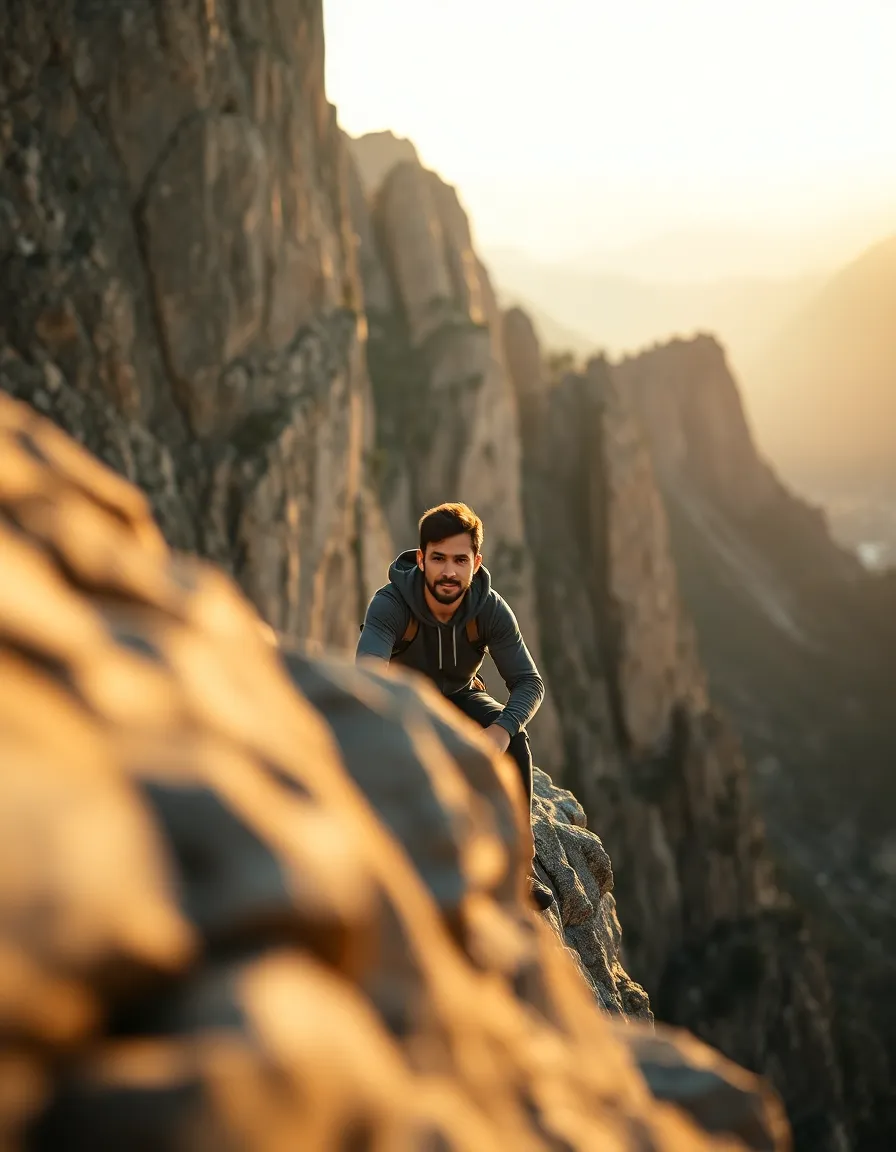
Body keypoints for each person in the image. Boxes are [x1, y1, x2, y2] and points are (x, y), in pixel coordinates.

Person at [356, 501, 554, 911]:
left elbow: (529, 682)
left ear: (476, 562)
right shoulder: (391, 605)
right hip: (405, 703)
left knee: (515, 741)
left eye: (460, 560)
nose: (449, 571)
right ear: (421, 558)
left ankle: (519, 868)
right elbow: (369, 676)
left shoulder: (489, 609)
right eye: (439, 558)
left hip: (461, 695)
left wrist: (498, 734)